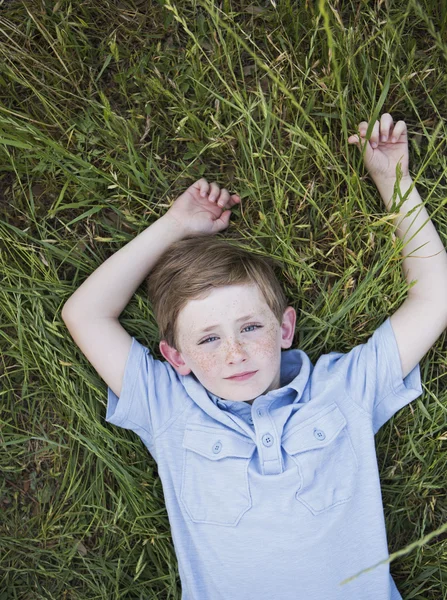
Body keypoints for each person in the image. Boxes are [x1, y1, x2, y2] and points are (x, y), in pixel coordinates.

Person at [62, 113, 447, 599]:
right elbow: (85, 314)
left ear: (285, 328)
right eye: (207, 339)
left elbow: (435, 299)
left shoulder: (345, 388)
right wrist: (174, 225)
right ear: (176, 357)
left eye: (249, 327)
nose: (234, 353)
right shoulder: (170, 408)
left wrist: (394, 180)